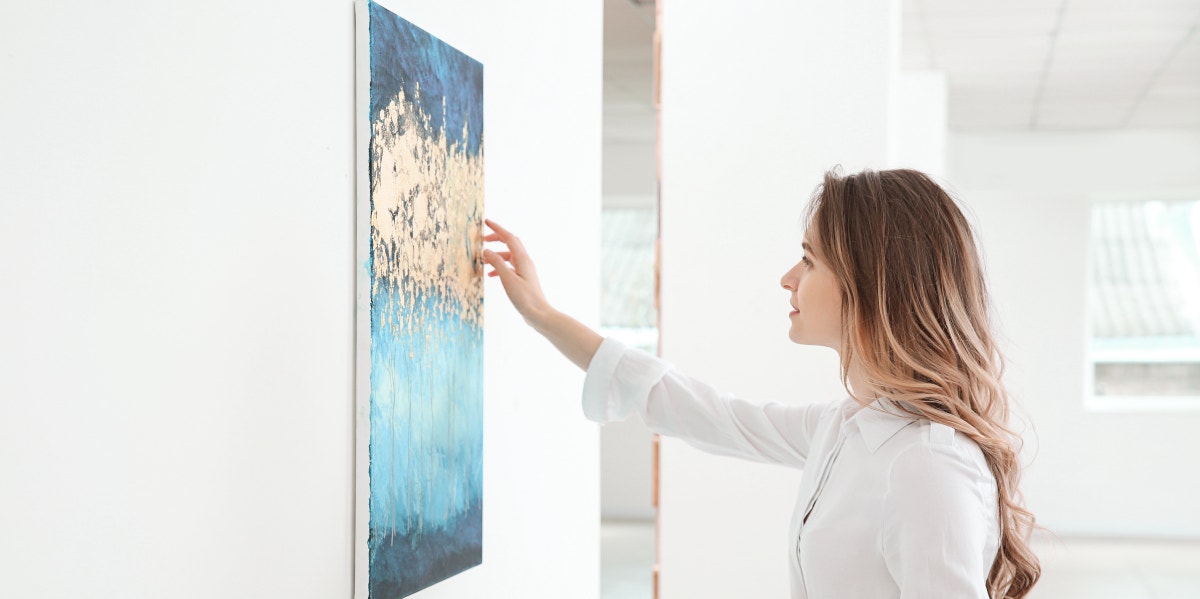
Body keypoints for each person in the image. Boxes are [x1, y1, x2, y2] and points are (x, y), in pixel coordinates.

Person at [480, 167, 1041, 599]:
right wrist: (542, 315)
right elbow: (695, 408)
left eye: (809, 261)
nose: (788, 279)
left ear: (872, 286)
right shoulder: (844, 427)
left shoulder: (928, 463)